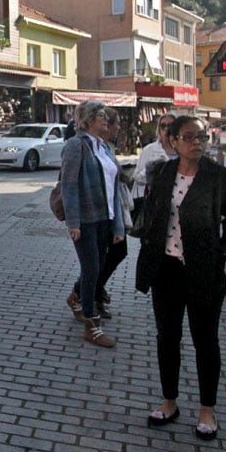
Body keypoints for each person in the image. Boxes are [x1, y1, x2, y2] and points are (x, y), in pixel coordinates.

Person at [135, 115, 226, 441]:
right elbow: (151, 212)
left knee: (205, 340)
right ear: (173, 141)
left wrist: (221, 253)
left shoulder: (219, 176)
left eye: (202, 137)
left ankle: (207, 409)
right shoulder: (163, 172)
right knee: (167, 337)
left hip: (203, 272)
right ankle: (169, 401)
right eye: (189, 137)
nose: (197, 143)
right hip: (165, 269)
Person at [60, 99, 125, 348]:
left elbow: (114, 187)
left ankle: (77, 301)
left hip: (105, 217)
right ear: (87, 120)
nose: (105, 119)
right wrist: (73, 222)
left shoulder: (104, 146)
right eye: (100, 115)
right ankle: (91, 324)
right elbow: (69, 185)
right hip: (86, 220)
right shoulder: (76, 146)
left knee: (96, 268)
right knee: (91, 270)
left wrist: (118, 225)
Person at [97, 107, 134, 319]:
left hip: (114, 208)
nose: (119, 127)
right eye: (116, 123)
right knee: (109, 254)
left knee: (116, 252)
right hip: (104, 211)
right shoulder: (95, 146)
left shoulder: (107, 146)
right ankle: (85, 293)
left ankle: (93, 291)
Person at [133, 113, 177, 220]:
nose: (166, 129)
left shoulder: (183, 150)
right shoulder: (149, 150)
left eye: (170, 125)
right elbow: (138, 178)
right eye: (163, 126)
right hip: (155, 204)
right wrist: (151, 167)